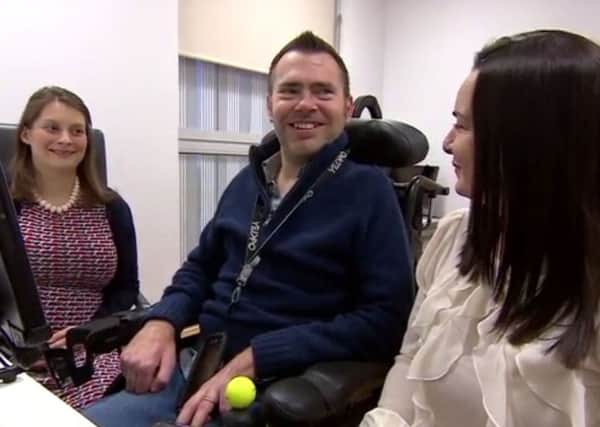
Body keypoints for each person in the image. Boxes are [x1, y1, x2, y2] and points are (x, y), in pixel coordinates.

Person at [84, 31, 414, 427]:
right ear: (270, 104)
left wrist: (261, 355)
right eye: (290, 90)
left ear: (346, 107)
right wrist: (162, 321)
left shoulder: (369, 191)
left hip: (269, 393)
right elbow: (200, 268)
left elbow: (387, 320)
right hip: (192, 370)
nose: (305, 104)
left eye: (323, 92)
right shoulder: (247, 182)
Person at [360, 29, 600, 427]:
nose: (448, 142)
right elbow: (409, 357)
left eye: (465, 126)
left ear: (530, 142)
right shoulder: (456, 236)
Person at [12, 86, 139, 409]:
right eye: (52, 128)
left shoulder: (112, 207)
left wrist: (88, 332)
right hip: (18, 353)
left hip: (94, 347)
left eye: (77, 131)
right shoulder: (8, 208)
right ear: (26, 134)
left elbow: (126, 288)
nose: (66, 139)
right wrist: (22, 346)